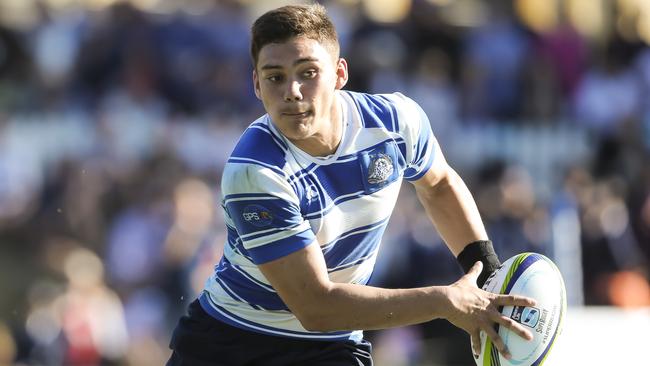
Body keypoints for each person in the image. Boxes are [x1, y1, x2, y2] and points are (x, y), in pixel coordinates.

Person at [167, 4, 535, 366]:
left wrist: (488, 274)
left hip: (331, 345)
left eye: (308, 72)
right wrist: (443, 301)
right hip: (230, 344)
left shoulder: (396, 120)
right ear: (256, 85)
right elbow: (316, 307)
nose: (292, 91)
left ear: (340, 74)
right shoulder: (256, 171)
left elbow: (437, 184)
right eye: (275, 77)